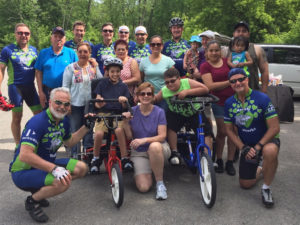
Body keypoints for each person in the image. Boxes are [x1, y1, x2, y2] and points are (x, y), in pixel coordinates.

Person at [9, 87, 91, 222]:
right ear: (50, 102)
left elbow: (69, 142)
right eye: (58, 102)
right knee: (62, 182)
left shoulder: (63, 121)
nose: (62, 107)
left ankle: (39, 190)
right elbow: (24, 155)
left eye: (66, 104)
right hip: (24, 170)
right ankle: (32, 201)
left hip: (46, 164)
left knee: (81, 168)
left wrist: (86, 127)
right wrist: (54, 169)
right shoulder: (38, 122)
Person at [224, 68, 280, 208]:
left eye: (241, 79)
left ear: (247, 79)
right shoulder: (229, 103)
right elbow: (229, 130)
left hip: (266, 141)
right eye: (233, 81)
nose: (237, 83)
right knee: (245, 184)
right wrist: (243, 148)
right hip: (247, 144)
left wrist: (258, 147)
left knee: (270, 151)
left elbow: (274, 128)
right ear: (230, 84)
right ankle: (262, 167)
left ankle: (266, 188)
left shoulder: (262, 98)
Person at [155, 68, 212, 165]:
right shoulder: (165, 90)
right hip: (176, 113)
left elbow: (205, 89)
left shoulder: (187, 82)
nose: (170, 84)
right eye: (167, 82)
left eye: (172, 81)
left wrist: (187, 92)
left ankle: (207, 157)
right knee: (170, 127)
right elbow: (155, 99)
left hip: (194, 111)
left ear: (179, 79)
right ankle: (174, 152)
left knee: (206, 131)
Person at [122, 82, 169, 200]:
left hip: (159, 148)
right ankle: (149, 169)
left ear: (153, 96)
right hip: (140, 153)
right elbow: (129, 137)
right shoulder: (132, 111)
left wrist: (145, 140)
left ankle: (160, 183)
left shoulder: (159, 111)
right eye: (142, 93)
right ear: (137, 96)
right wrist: (125, 123)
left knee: (154, 147)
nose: (146, 96)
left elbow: (162, 136)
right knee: (143, 187)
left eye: (149, 93)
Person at [0, 23, 42, 145]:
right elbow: (1, 69)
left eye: (26, 33)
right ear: (15, 34)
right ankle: (18, 145)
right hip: (15, 88)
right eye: (20, 33)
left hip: (30, 87)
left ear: (29, 35)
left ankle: (35, 141)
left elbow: (39, 71)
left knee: (39, 116)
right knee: (17, 117)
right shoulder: (7, 50)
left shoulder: (34, 50)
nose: (23, 35)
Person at [90, 58, 133, 172]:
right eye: (112, 71)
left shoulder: (123, 86)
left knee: (119, 130)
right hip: (103, 113)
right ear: (107, 72)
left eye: (117, 71)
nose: (115, 74)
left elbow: (126, 107)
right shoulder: (102, 83)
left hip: (117, 114)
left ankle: (124, 158)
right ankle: (95, 158)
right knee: (98, 134)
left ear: (120, 72)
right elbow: (97, 100)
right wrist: (99, 101)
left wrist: (124, 101)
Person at [200, 40, 236, 176]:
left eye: (216, 50)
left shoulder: (227, 61)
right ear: (207, 53)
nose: (214, 53)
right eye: (211, 50)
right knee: (222, 131)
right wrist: (229, 82)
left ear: (220, 51)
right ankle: (219, 159)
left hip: (234, 101)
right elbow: (210, 86)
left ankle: (230, 161)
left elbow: (239, 74)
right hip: (218, 102)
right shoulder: (205, 66)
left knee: (234, 131)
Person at [62, 42, 102, 158]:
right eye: (80, 51)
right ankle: (75, 155)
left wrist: (96, 66)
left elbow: (100, 81)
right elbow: (65, 86)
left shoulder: (92, 68)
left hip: (89, 104)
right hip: (75, 104)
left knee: (88, 130)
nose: (83, 54)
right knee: (75, 130)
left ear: (90, 53)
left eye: (86, 52)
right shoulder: (70, 68)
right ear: (77, 53)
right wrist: (67, 104)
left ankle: (88, 154)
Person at [35, 26, 78, 109]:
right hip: (47, 91)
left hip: (65, 92)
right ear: (51, 38)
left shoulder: (71, 53)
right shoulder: (43, 53)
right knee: (48, 116)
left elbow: (77, 71)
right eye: (55, 36)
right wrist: (40, 92)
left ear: (65, 39)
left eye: (61, 37)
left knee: (64, 117)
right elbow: (38, 72)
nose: (58, 39)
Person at [231, 21, 269, 93]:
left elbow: (264, 71)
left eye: (244, 31)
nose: (241, 33)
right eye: (238, 31)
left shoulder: (257, 49)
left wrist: (264, 91)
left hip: (253, 92)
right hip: (232, 93)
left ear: (248, 34)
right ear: (234, 34)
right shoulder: (228, 50)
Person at [139, 35, 175, 110]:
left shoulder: (168, 61)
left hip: (164, 96)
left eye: (158, 44)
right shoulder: (143, 62)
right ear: (149, 46)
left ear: (162, 46)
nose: (156, 46)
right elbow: (141, 81)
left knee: (162, 119)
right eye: (153, 44)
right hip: (148, 96)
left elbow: (174, 79)